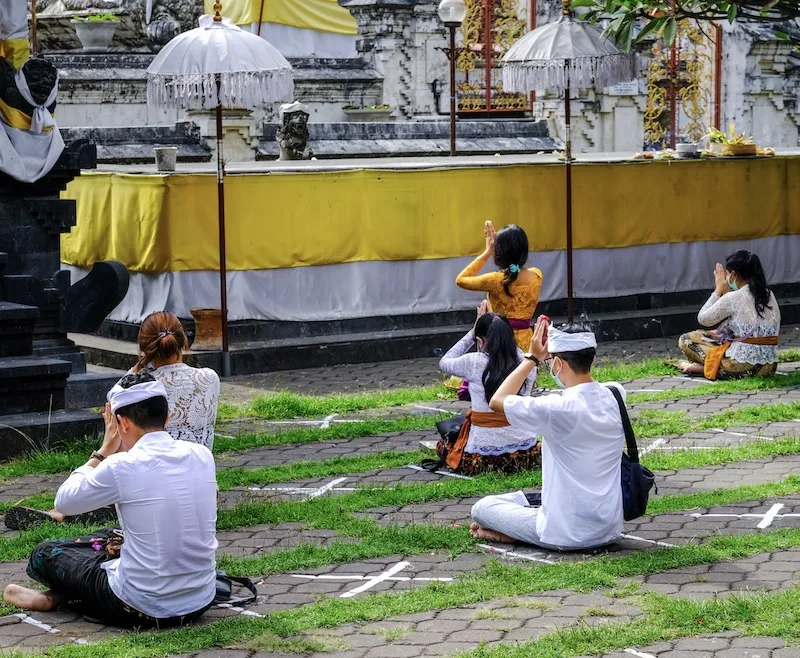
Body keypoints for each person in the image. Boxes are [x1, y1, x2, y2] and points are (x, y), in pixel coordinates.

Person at [3, 372, 218, 627]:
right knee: (112, 536)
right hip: (200, 600)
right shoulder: (202, 454)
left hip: (139, 605)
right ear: (167, 417)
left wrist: (103, 451)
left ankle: (59, 597)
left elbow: (63, 502)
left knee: (47, 553)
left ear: (121, 424)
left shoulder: (121, 465)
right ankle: (71, 593)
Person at [4, 311, 221, 531]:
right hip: (198, 487)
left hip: (143, 483)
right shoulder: (209, 379)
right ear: (183, 340)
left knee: (116, 475)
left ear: (144, 348)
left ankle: (70, 512)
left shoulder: (128, 390)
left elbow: (117, 414)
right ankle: (85, 510)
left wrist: (139, 364)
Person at [469, 320, 625, 551]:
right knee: (539, 496)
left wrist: (531, 359)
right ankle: (514, 527)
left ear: (558, 364)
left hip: (563, 533)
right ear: (592, 358)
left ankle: (511, 532)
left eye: (550, 361)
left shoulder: (555, 407)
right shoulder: (616, 393)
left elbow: (497, 400)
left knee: (483, 508)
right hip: (609, 528)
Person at [437, 302, 540, 475]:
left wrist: (472, 331)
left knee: (445, 444)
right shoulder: (527, 362)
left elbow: (444, 362)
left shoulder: (473, 362)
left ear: (480, 340)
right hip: (525, 452)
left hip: (482, 456)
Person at [677, 250, 780, 380]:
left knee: (686, 339)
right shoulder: (768, 293)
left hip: (741, 366)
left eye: (727, 274)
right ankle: (712, 367)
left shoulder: (734, 297)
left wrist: (718, 290)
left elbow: (703, 319)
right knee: (711, 336)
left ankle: (707, 368)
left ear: (733, 275)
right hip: (769, 366)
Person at [456, 221, 543, 350]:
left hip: (499, 344)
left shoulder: (495, 280)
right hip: (527, 344)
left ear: (499, 253)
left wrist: (487, 252)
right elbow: (516, 271)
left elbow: (461, 279)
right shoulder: (537, 276)